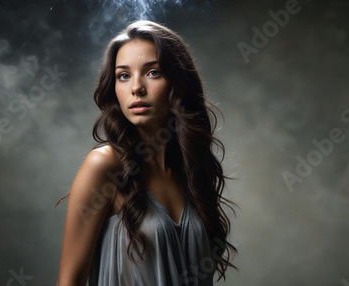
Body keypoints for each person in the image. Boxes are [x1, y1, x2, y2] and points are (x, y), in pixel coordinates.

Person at [56, 20, 237, 286]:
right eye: (123, 75)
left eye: (153, 72)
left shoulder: (191, 171)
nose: (136, 88)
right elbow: (69, 281)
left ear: (178, 82)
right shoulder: (105, 166)